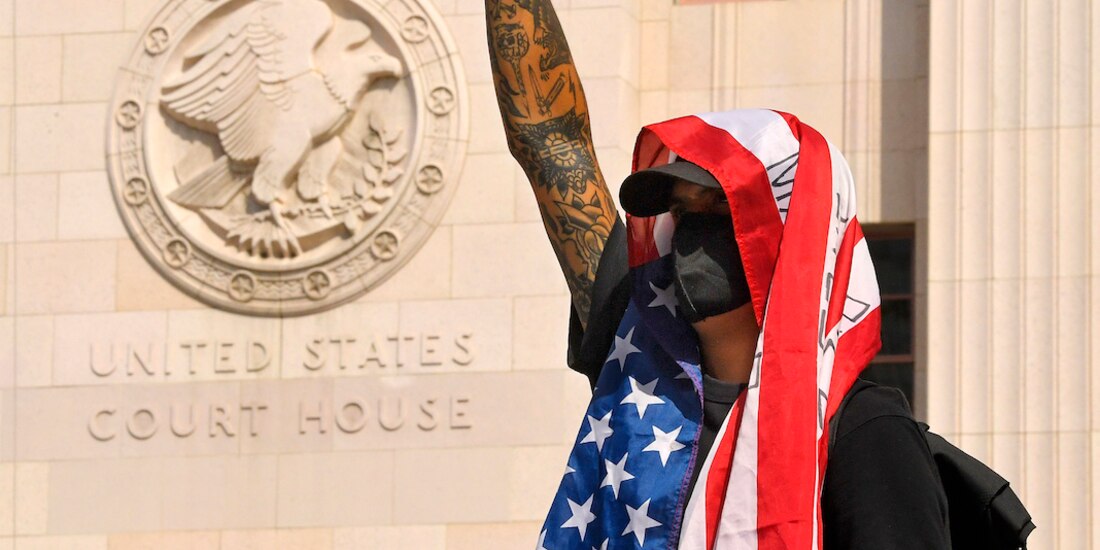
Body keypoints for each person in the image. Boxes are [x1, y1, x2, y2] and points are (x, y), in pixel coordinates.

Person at [484, 2, 951, 548]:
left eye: (718, 213)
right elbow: (550, 145)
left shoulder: (864, 434)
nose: (689, 238)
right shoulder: (636, 358)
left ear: (789, 237)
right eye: (682, 215)